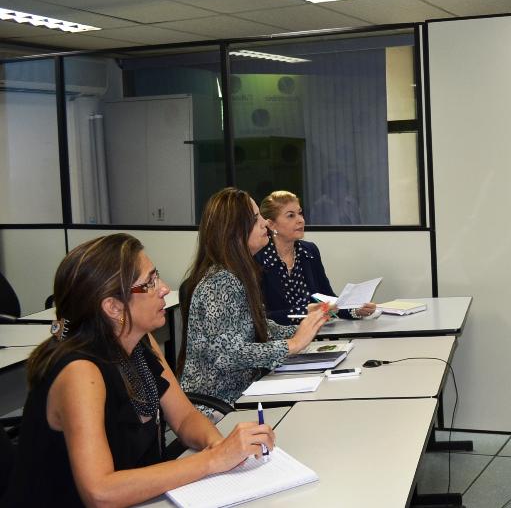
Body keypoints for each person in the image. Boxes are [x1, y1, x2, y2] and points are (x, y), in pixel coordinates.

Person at [2, 234, 276, 507]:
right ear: (113, 307)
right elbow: (100, 493)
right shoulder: (80, 371)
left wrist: (218, 445)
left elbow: (184, 419)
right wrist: (213, 460)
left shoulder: (138, 340)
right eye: (150, 282)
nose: (164, 288)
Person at [178, 188, 329, 416]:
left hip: (244, 395)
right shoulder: (220, 282)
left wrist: (300, 330)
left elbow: (258, 328)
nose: (264, 224)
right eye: (256, 218)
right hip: (217, 409)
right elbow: (227, 355)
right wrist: (293, 344)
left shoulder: (239, 272)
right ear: (235, 231)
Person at [257, 190, 377, 325]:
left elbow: (327, 299)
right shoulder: (259, 258)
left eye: (300, 213)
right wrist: (304, 312)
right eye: (291, 216)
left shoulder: (309, 251)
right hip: (280, 340)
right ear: (272, 225)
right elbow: (261, 317)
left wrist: (354, 309)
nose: (300, 220)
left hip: (317, 334)